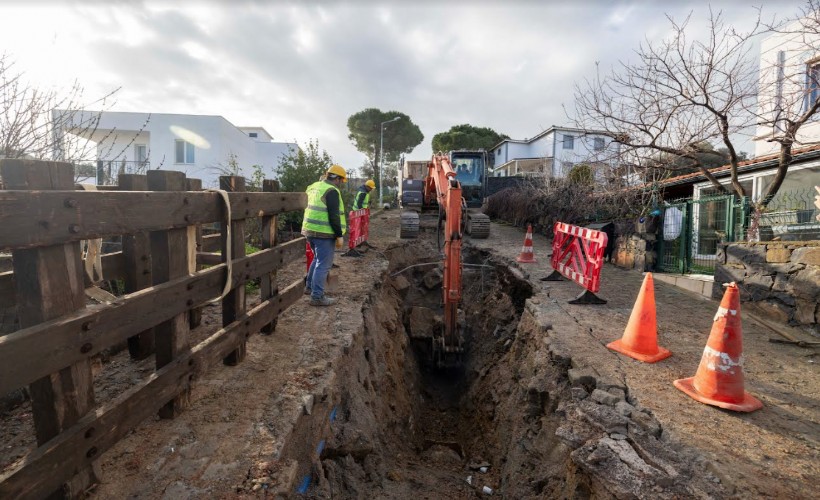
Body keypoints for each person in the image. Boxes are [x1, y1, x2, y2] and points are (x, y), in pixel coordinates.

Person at [302, 164, 347, 306]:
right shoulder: (331, 190)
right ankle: (317, 297)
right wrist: (339, 235)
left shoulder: (314, 186)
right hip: (324, 233)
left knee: (317, 259)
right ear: (337, 179)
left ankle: (309, 288)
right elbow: (334, 215)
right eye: (341, 180)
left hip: (309, 230)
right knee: (323, 265)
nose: (341, 184)